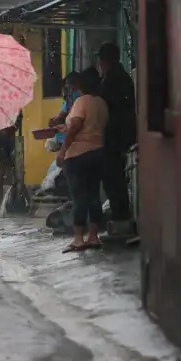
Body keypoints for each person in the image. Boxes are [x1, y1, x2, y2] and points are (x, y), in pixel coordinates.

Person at [56, 70, 108, 252]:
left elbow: (77, 126)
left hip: (77, 155)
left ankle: (78, 238)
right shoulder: (101, 103)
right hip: (97, 152)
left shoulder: (81, 101)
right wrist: (66, 127)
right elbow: (89, 126)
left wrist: (62, 151)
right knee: (94, 195)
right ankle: (93, 236)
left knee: (79, 197)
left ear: (81, 86)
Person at [97, 43, 136, 235]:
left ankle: (120, 216)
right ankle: (120, 214)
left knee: (114, 179)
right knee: (116, 178)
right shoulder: (122, 78)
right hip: (121, 136)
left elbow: (108, 109)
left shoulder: (112, 81)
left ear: (105, 61)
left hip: (113, 137)